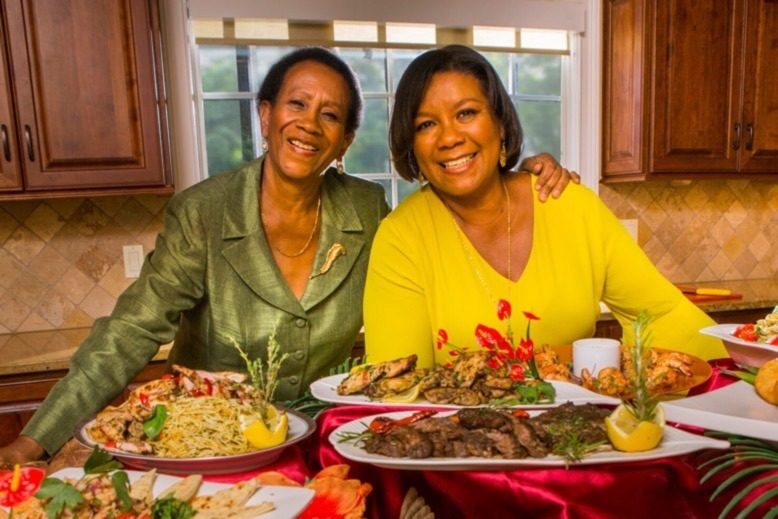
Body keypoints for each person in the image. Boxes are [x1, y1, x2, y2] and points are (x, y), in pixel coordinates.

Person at [0, 47, 576, 464]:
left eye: (331, 115)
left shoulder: (368, 209)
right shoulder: (204, 213)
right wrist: (36, 439)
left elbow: (449, 213)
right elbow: (128, 332)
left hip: (328, 444)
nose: (310, 123)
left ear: (346, 140)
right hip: (211, 445)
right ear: (266, 114)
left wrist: (521, 175)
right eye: (296, 104)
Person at [363, 45, 726, 369]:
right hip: (459, 440)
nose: (450, 137)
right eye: (426, 124)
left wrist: (745, 373)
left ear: (501, 123)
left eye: (466, 113)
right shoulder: (402, 238)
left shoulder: (568, 204)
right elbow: (399, 387)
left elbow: (662, 313)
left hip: (579, 434)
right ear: (412, 145)